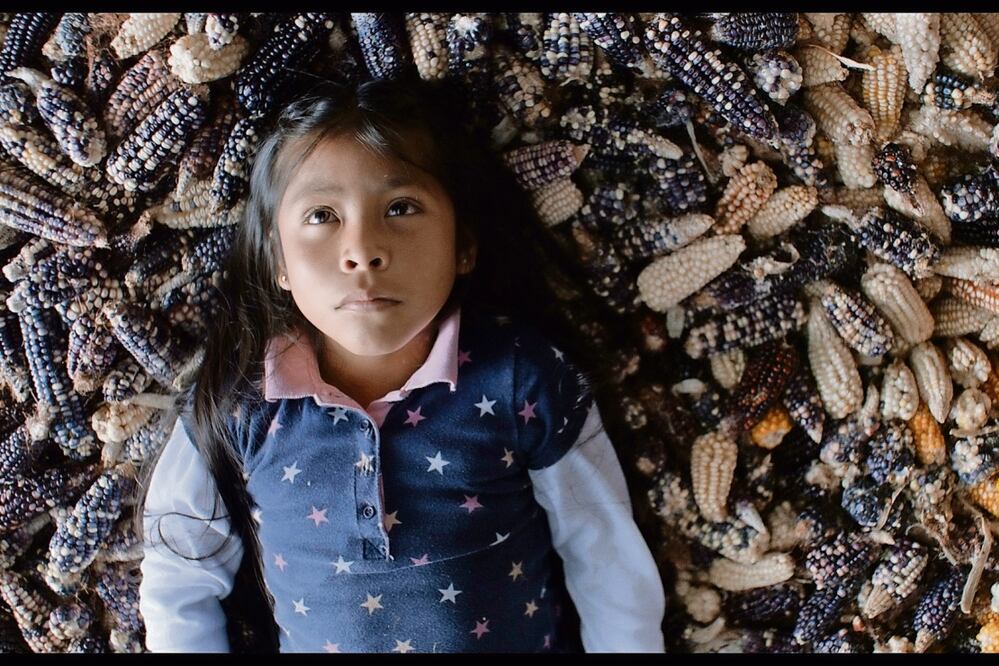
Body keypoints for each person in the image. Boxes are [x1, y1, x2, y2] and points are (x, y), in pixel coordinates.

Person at [134, 77, 666, 654]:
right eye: (321, 215)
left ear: (464, 244)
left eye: (400, 207)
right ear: (276, 260)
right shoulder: (239, 402)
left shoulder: (522, 377)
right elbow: (178, 579)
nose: (363, 249)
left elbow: (606, 555)